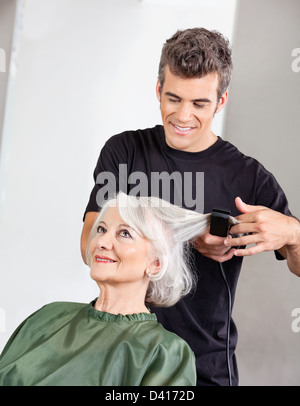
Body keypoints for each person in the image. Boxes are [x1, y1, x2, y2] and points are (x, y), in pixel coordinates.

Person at [80, 28, 300, 386]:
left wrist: (292, 234)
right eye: (173, 99)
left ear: (221, 100)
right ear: (158, 90)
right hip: (120, 355)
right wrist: (187, 230)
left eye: (199, 104)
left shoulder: (247, 177)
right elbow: (90, 245)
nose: (183, 116)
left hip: (202, 368)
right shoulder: (124, 152)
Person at [0, 192, 238, 386]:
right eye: (101, 229)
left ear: (155, 263)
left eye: (125, 233)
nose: (102, 242)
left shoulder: (164, 352)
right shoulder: (48, 317)